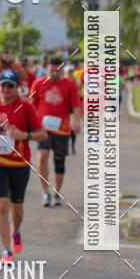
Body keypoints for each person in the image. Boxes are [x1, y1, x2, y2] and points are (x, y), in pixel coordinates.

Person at [0, 69, 46, 262]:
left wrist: (25, 135)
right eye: (3, 85)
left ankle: (16, 230)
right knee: (2, 206)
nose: (5, 89)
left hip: (20, 163)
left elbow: (42, 134)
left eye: (10, 85)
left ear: (17, 87)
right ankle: (6, 250)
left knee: (17, 208)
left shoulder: (25, 107)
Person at [29, 57, 81, 207]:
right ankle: (45, 192)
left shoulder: (70, 85)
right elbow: (32, 107)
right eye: (51, 70)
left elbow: (76, 106)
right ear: (47, 69)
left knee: (59, 161)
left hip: (62, 129)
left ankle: (56, 192)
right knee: (42, 155)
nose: (54, 73)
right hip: (43, 129)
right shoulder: (38, 84)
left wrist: (76, 123)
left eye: (57, 70)